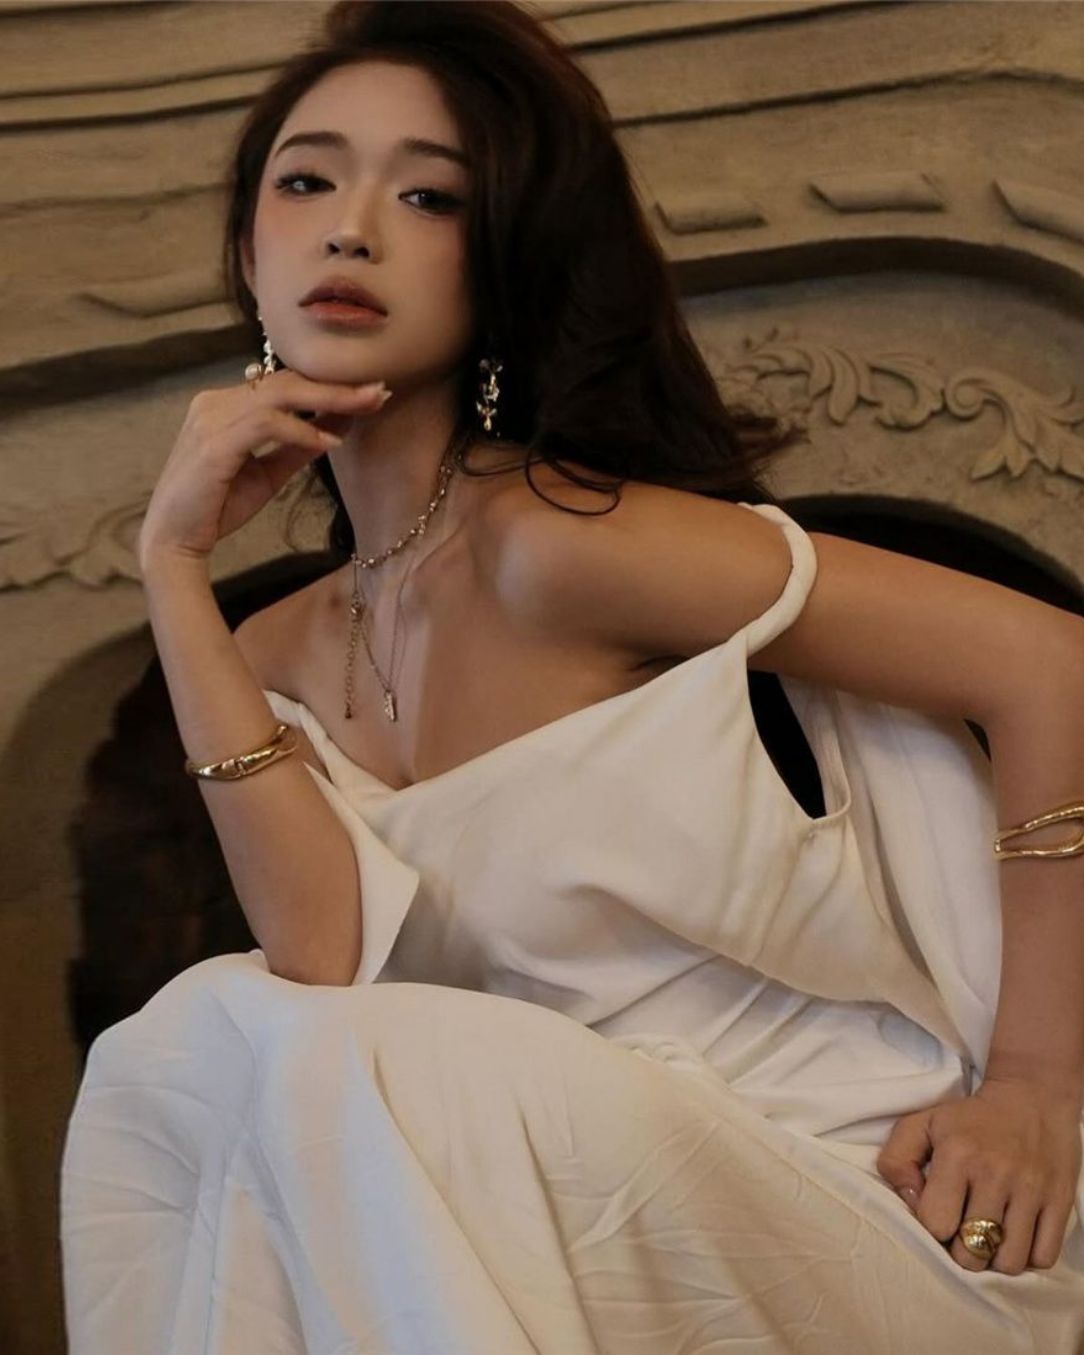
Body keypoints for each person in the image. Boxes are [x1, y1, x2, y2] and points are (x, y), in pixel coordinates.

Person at [59, 2, 1084, 1350]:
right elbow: (325, 959)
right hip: (519, 1224)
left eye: (428, 196)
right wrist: (173, 563)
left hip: (817, 1182)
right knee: (177, 1053)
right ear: (249, 252)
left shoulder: (558, 543)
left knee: (314, 1056)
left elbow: (1051, 661)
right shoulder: (272, 652)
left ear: (502, 261)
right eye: (305, 182)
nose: (350, 229)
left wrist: (1033, 1085)